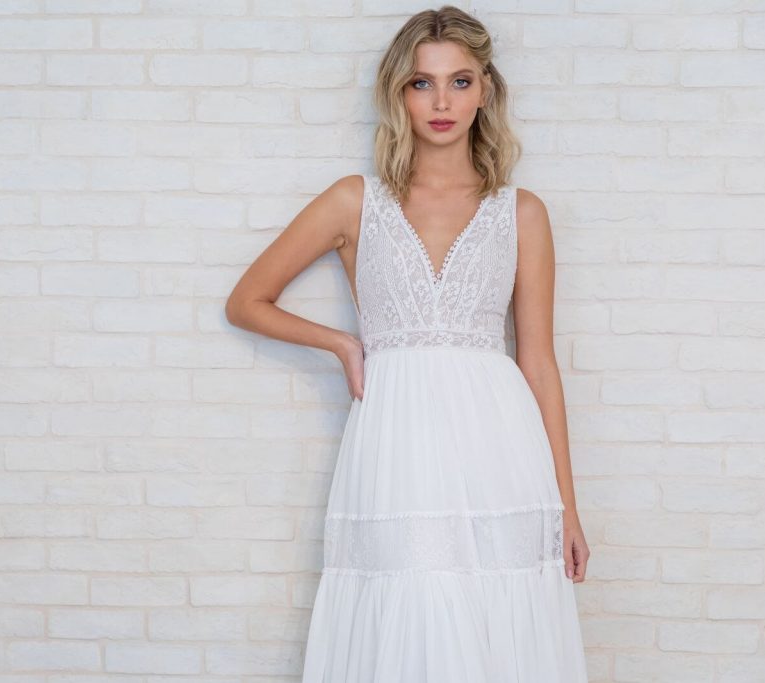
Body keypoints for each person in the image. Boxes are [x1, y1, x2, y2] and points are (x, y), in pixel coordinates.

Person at [224, 6, 590, 682]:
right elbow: (247, 300)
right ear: (399, 94)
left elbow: (538, 361)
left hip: (499, 445)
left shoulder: (522, 212)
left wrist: (566, 506)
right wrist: (341, 343)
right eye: (422, 83)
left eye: (459, 81)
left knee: (493, 613)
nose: (441, 102)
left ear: (485, 90)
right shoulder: (354, 201)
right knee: (409, 600)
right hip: (398, 443)